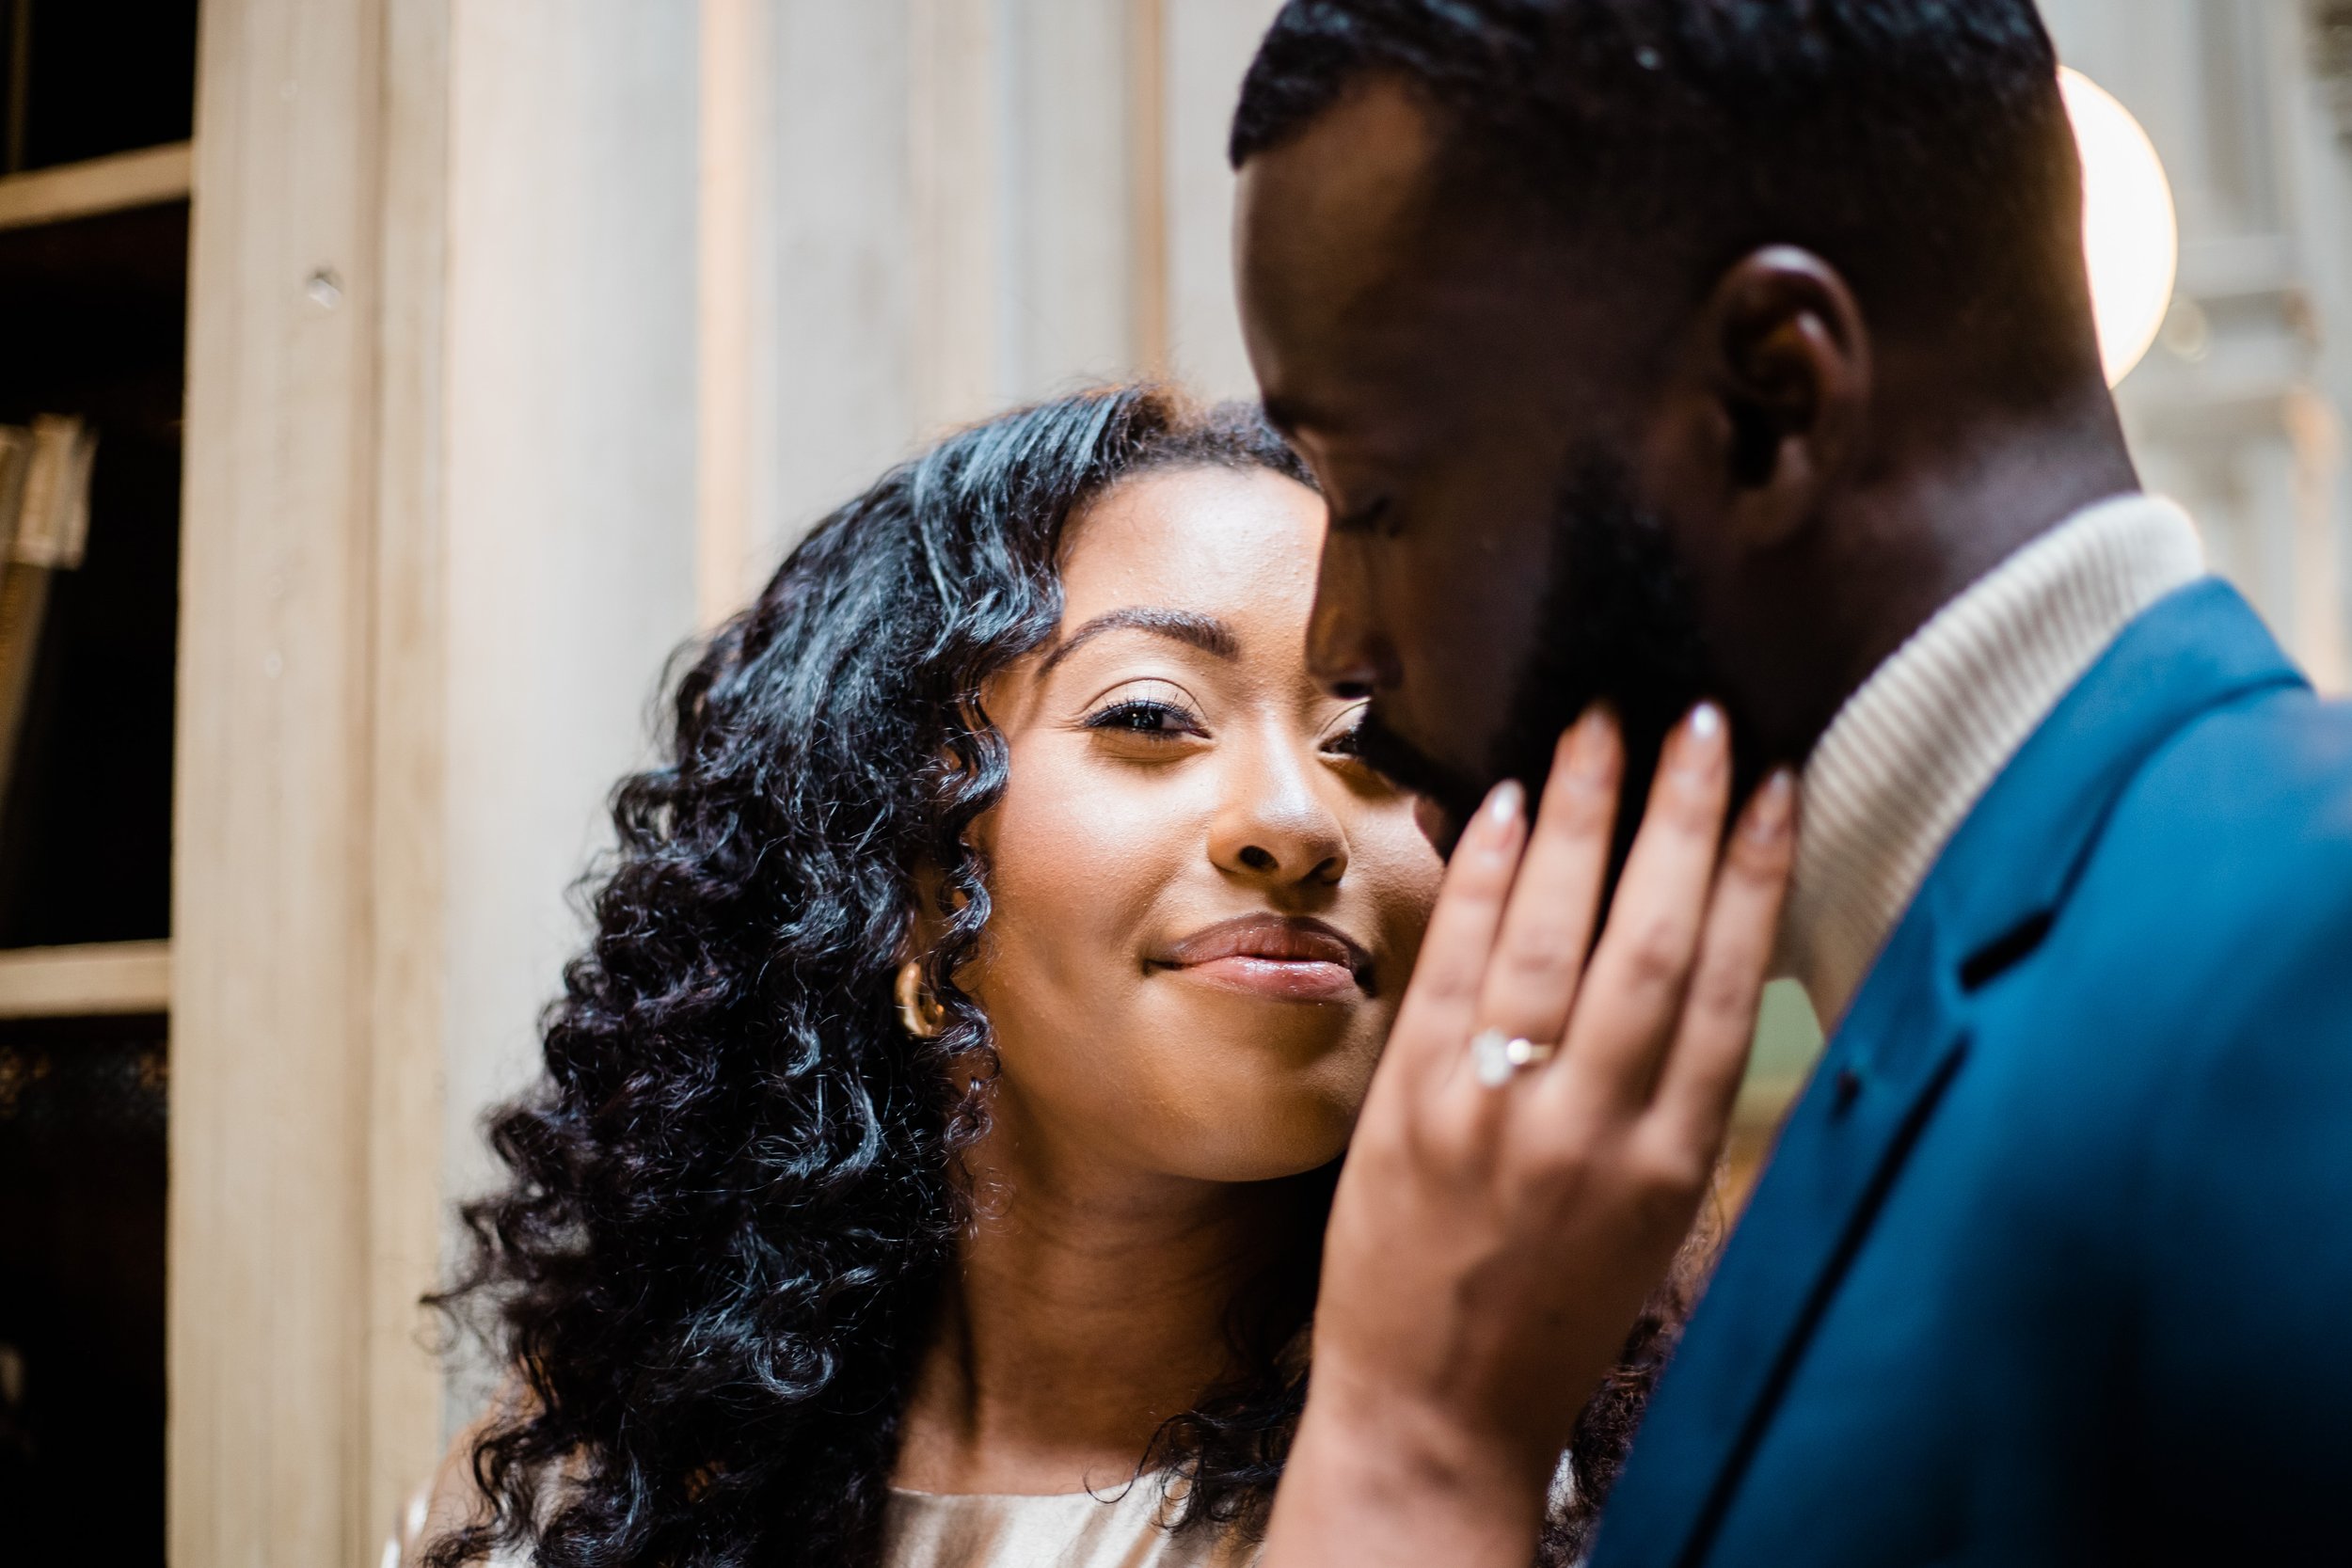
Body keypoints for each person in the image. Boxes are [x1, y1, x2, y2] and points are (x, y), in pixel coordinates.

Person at [1226, 3, 2352, 1566]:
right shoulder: (1891, 1054)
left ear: (1770, 404)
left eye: (1379, 496)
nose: (1342, 644)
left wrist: (1415, 1461)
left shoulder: (2310, 941)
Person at [399, 386, 1794, 1568]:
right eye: (1150, 718)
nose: (1296, 821)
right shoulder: (578, 1506)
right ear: (901, 871)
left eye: (1370, 743)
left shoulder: (1612, 1495)